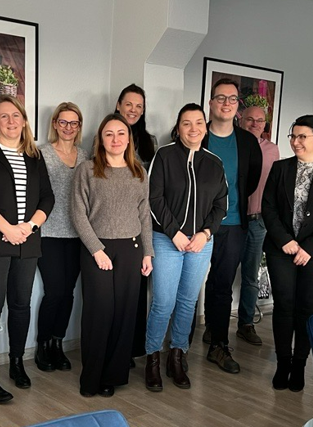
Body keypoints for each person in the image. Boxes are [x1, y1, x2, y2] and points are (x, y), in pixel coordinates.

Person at [0, 95, 54, 403]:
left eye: (16, 115)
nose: (11, 121)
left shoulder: (34, 155)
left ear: (24, 120)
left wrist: (28, 228)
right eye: (3, 116)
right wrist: (7, 229)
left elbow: (47, 197)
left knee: (20, 304)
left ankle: (17, 363)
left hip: (28, 241)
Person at [144, 104, 227, 392]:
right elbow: (154, 199)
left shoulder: (214, 162)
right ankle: (153, 358)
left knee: (188, 302)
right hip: (167, 241)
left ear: (206, 127)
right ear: (178, 128)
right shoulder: (164, 156)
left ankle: (178, 356)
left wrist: (205, 233)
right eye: (186, 123)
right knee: (163, 302)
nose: (193, 128)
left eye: (199, 123)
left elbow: (221, 205)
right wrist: (174, 233)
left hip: (201, 243)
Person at [262, 115, 313, 392]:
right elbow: (268, 207)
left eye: (302, 136)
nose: (296, 142)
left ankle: (299, 363)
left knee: (308, 309)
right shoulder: (280, 168)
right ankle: (283, 362)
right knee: (284, 306)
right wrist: (284, 240)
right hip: (282, 249)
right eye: (293, 136)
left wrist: (309, 247)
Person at [72, 113, 154, 398]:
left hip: (131, 249)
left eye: (121, 133)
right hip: (98, 248)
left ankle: (113, 375)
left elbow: (144, 214)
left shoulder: (138, 171)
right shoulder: (87, 170)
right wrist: (97, 250)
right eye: (109, 134)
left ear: (129, 139)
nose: (115, 139)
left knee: (124, 314)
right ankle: (91, 377)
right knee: (99, 312)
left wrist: (148, 253)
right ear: (101, 139)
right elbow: (78, 213)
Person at [201, 78, 262, 373]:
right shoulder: (197, 135)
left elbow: (250, 181)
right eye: (221, 98)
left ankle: (219, 345)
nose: (226, 103)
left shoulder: (247, 142)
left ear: (238, 106)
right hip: (197, 226)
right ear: (211, 103)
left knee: (223, 284)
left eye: (232, 99)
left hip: (234, 223)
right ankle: (191, 338)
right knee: (193, 285)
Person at [34, 102, 89, 372]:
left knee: (68, 293)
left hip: (79, 234)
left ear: (79, 127)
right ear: (55, 123)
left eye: (73, 123)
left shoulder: (86, 156)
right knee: (54, 291)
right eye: (63, 122)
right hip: (49, 233)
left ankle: (58, 343)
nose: (68, 127)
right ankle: (43, 345)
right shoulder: (41, 154)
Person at [114, 84, 157, 364]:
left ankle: (133, 347)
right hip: (113, 225)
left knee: (137, 289)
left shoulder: (149, 141)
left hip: (141, 223)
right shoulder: (107, 135)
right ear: (118, 105)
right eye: (129, 104)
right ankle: (115, 348)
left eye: (139, 106)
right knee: (115, 292)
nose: (133, 110)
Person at [236, 106, 280, 346]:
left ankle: (246, 324)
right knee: (220, 275)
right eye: (250, 119)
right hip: (231, 221)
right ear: (240, 120)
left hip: (257, 220)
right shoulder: (232, 144)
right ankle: (214, 325)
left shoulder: (272, 150)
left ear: (265, 124)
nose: (255, 124)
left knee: (251, 275)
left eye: (260, 120)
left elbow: (275, 186)